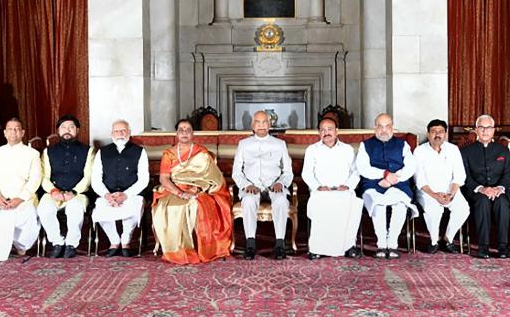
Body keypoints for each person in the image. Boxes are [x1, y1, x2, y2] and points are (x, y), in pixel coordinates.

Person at [152, 119, 233, 264]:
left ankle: (197, 247)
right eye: (181, 130)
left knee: (196, 204)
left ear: (193, 133)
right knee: (169, 207)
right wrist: (180, 193)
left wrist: (197, 188)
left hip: (197, 189)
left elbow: (213, 177)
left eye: (188, 130)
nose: (184, 133)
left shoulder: (202, 152)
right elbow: (164, 179)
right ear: (176, 134)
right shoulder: (169, 154)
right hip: (173, 189)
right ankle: (176, 250)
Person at [0, 118, 42, 262]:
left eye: (17, 129)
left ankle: (21, 245)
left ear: (22, 133)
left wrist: (19, 199)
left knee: (28, 214)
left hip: (23, 199)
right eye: (10, 129)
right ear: (5, 133)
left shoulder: (33, 154)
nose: (13, 132)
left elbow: (35, 179)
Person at [232, 110, 294, 259]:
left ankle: (280, 244)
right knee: (248, 200)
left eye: (264, 122)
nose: (261, 125)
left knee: (281, 200)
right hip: (251, 187)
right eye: (257, 122)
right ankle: (250, 244)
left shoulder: (280, 144)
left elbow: (288, 172)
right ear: (252, 125)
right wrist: (246, 185)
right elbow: (236, 172)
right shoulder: (243, 144)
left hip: (274, 186)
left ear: (269, 124)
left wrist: (280, 183)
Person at [356, 113, 417, 259]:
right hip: (373, 184)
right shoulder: (365, 145)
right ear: (375, 128)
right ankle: (382, 244)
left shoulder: (403, 144)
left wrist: (393, 179)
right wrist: (384, 174)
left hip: (398, 184)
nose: (384, 130)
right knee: (378, 204)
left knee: (400, 204)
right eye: (380, 126)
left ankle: (393, 243)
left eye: (387, 126)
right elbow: (363, 168)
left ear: (392, 127)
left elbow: (410, 167)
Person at [302, 117, 363, 259]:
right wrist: (318, 187)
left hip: (343, 191)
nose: (326, 133)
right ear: (319, 133)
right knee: (321, 203)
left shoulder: (347, 149)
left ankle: (349, 246)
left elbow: (355, 172)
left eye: (330, 129)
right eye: (323, 130)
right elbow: (307, 173)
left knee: (352, 203)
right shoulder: (312, 150)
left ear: (337, 131)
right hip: (321, 192)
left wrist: (348, 186)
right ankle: (317, 248)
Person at [38, 115, 94, 258]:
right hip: (53, 192)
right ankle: (57, 242)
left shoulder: (88, 151)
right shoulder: (48, 151)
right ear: (58, 131)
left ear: (77, 130)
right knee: (44, 208)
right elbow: (44, 177)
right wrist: (53, 191)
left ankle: (71, 244)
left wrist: (74, 192)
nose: (67, 130)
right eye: (63, 127)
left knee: (75, 208)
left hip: (78, 194)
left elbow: (88, 177)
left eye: (71, 127)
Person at [92, 120, 149, 257]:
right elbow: (95, 179)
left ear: (129, 132)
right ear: (112, 133)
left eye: (123, 130)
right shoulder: (102, 152)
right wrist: (107, 195)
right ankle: (114, 241)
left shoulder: (139, 151)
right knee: (100, 208)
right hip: (108, 194)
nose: (120, 134)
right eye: (116, 131)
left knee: (133, 206)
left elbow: (143, 180)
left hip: (132, 194)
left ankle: (126, 241)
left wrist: (126, 195)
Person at [460, 114, 510, 258]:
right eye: (481, 127)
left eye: (488, 127)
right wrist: (481, 189)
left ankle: (503, 246)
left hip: (498, 191)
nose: (485, 131)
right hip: (476, 192)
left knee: (502, 202)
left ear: (493, 130)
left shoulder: (503, 151)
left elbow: (508, 175)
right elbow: (465, 176)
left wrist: (499, 188)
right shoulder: (466, 151)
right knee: (482, 201)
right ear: (476, 130)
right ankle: (483, 246)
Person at [413, 119, 469, 254]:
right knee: (433, 210)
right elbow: (419, 179)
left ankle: (448, 238)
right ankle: (434, 241)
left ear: (445, 134)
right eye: (433, 131)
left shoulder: (453, 149)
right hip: (427, 191)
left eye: (441, 132)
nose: (437, 135)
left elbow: (460, 175)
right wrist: (434, 195)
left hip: (450, 190)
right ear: (428, 134)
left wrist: (451, 194)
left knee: (463, 208)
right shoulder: (419, 151)